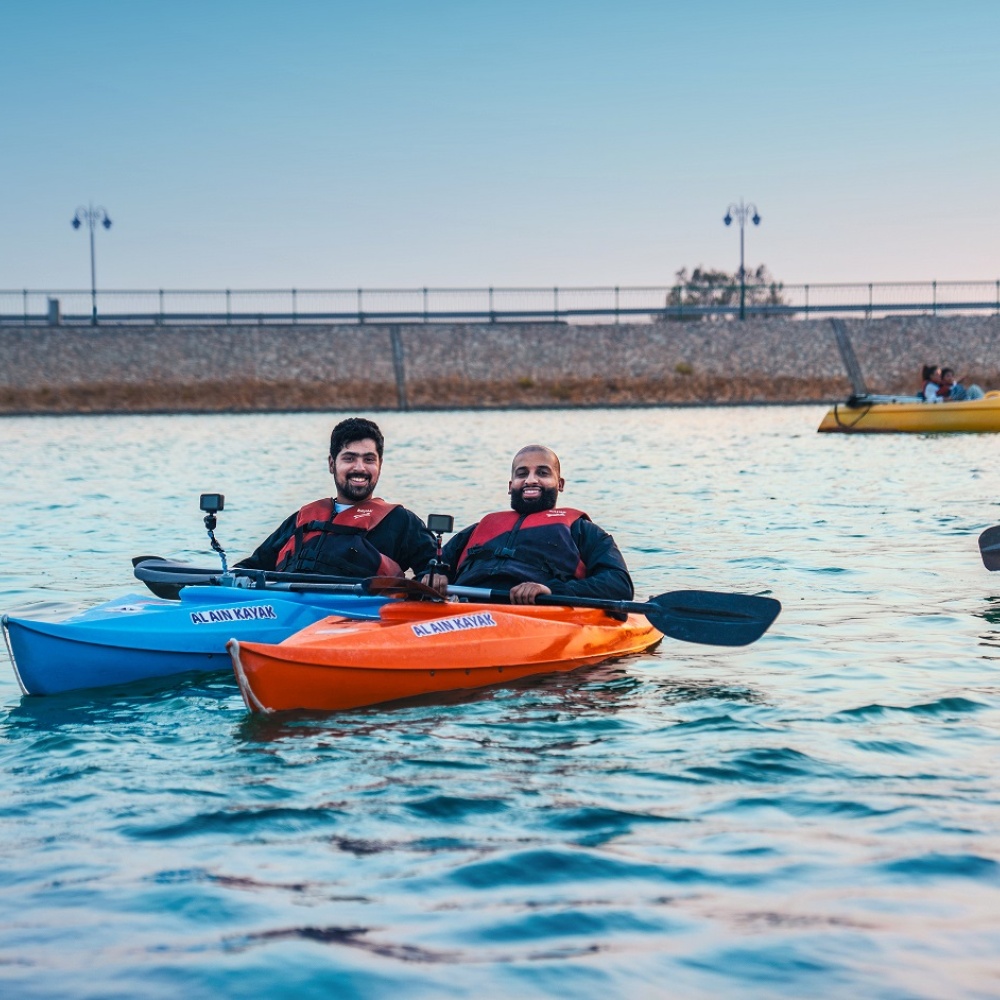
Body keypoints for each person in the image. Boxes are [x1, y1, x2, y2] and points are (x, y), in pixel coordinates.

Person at [236, 416, 438, 579]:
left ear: (380, 465)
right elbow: (250, 568)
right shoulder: (303, 519)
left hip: (357, 619)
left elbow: (437, 570)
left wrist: (433, 577)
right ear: (332, 464)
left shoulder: (401, 521)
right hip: (289, 610)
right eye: (349, 458)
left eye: (369, 460)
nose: (360, 468)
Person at [430, 444, 633, 604]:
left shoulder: (582, 530)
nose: (530, 480)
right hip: (463, 609)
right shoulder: (477, 530)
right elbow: (431, 569)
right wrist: (434, 578)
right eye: (522, 473)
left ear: (560, 484)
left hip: (535, 612)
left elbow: (619, 583)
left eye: (543, 473)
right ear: (511, 486)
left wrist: (552, 590)